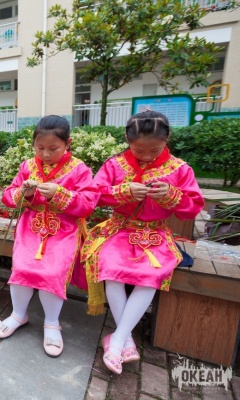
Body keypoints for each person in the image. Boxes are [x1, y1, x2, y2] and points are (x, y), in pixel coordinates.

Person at [81, 111, 204, 374]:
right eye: (139, 151)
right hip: (119, 230)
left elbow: (193, 208)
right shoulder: (114, 165)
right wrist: (122, 191)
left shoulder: (180, 169)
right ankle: (124, 340)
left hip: (155, 235)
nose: (146, 157)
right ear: (128, 141)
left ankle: (116, 341)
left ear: (167, 139)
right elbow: (94, 195)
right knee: (111, 269)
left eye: (154, 151)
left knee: (151, 275)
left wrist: (172, 195)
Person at [0, 116, 100, 358]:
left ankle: (52, 323)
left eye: (53, 148)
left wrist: (59, 193)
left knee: (53, 272)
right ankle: (18, 314)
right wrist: (25, 193)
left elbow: (88, 204)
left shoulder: (79, 169)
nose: (45, 154)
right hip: (30, 227)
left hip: (64, 229)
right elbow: (8, 196)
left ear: (67, 144)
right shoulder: (28, 166)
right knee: (21, 268)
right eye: (40, 147)